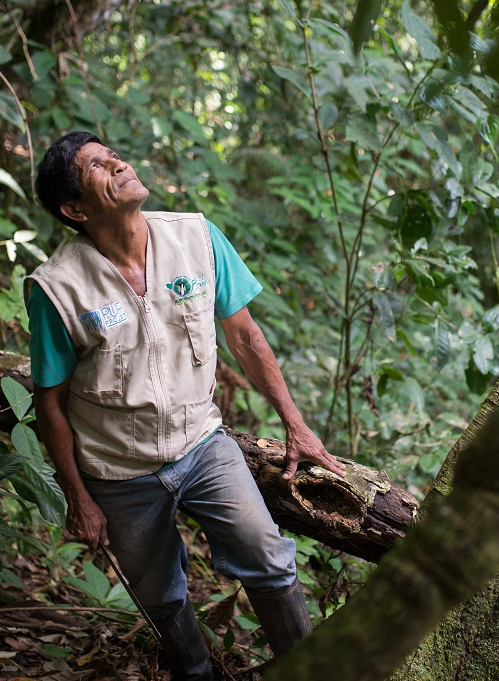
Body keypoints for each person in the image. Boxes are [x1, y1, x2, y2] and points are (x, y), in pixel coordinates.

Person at [26, 131, 347, 680]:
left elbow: (245, 336)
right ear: (74, 209)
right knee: (160, 595)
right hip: (118, 472)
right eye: (97, 167)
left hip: (203, 444)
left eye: (112, 154)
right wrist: (80, 498)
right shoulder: (59, 288)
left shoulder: (195, 237)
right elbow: (49, 402)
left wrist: (296, 426)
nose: (118, 163)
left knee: (267, 555)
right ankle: (197, 674)